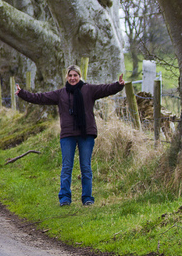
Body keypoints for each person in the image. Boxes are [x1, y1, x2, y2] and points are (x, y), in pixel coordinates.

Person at [16, 65, 124, 207]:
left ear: (79, 76)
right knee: (67, 167)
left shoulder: (89, 90)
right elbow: (40, 97)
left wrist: (119, 85)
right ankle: (65, 198)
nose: (73, 78)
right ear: (66, 77)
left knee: (86, 167)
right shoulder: (61, 94)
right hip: (68, 135)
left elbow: (106, 89)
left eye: (75, 75)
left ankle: (87, 198)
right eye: (70, 75)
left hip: (86, 133)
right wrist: (22, 93)